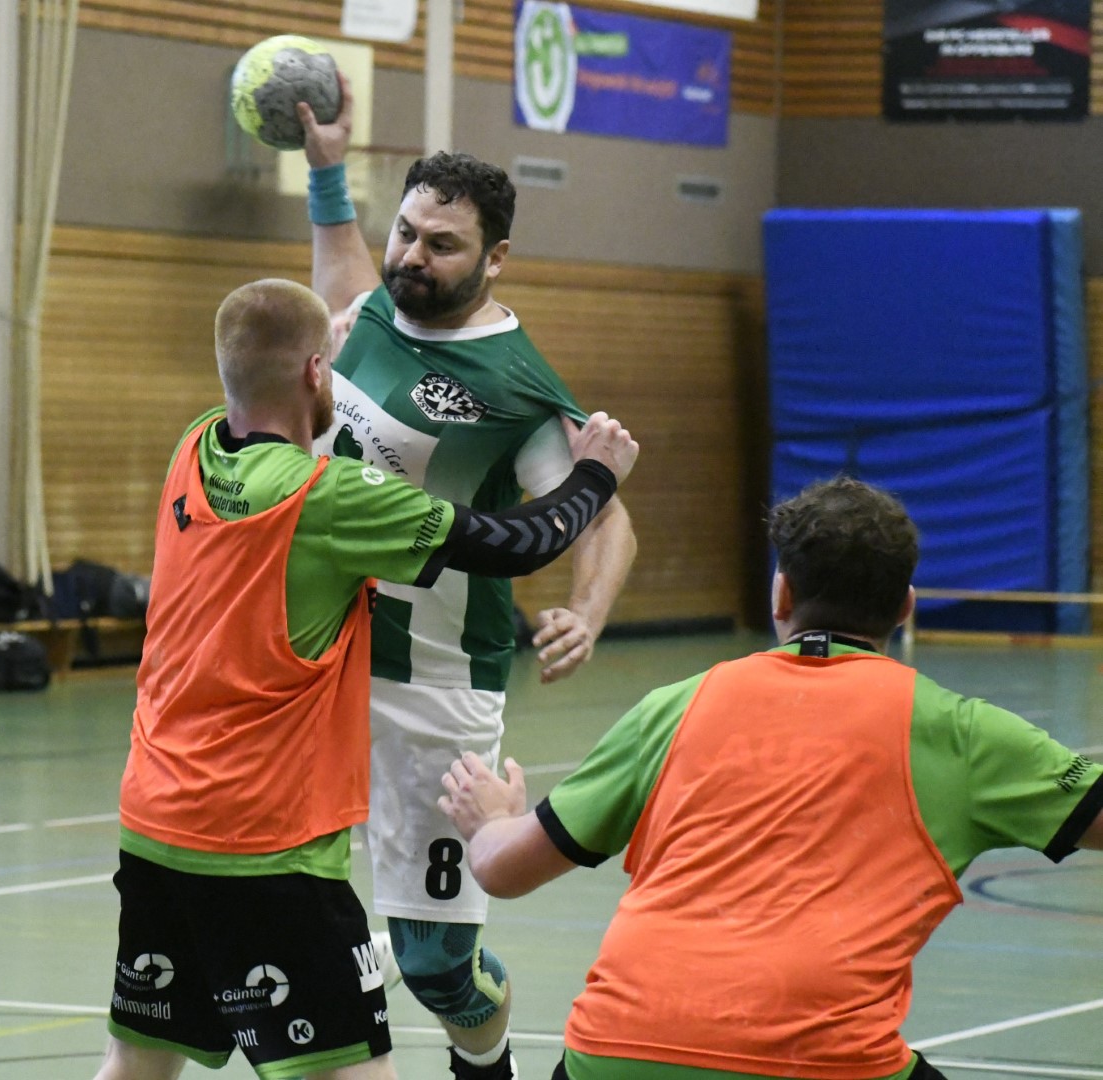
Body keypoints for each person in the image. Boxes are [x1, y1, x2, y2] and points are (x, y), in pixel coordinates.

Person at [96, 279, 639, 1080]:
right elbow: (515, 542)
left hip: (153, 823)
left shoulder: (195, 447)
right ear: (318, 372)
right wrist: (595, 476)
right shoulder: (327, 500)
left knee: (136, 1064)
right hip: (267, 848)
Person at [438, 476, 1103, 1080]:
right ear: (905, 607)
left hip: (615, 1051)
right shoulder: (964, 734)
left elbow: (503, 869)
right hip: (820, 1062)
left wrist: (491, 819)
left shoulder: (676, 706)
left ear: (781, 593)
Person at [296, 83, 638, 1079]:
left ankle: (484, 1065)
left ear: (495, 258)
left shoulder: (516, 388)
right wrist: (327, 172)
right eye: (406, 232)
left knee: (438, 966)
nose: (412, 255)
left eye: (441, 245)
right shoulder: (376, 309)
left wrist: (587, 611)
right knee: (283, 895)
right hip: (315, 658)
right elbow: (342, 284)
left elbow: (605, 510)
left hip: (435, 683)